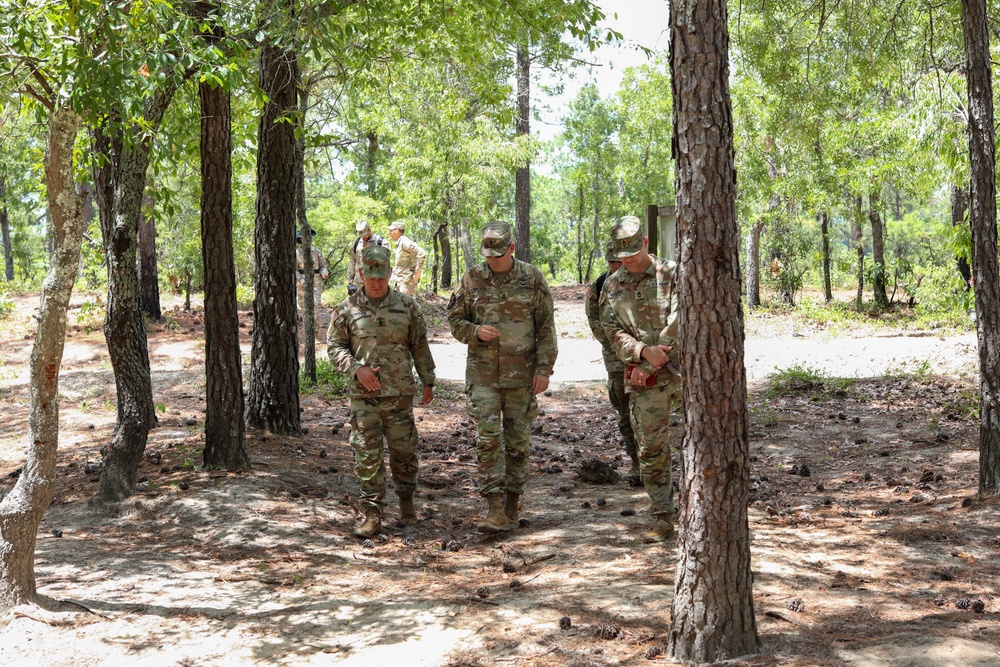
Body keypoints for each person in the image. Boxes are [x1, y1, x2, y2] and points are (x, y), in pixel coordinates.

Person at [447, 221, 557, 533]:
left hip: (521, 377)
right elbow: (455, 320)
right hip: (483, 375)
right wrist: (475, 331)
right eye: (488, 255)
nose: (492, 260)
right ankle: (493, 507)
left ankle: (511, 504)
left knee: (518, 442)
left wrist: (544, 369)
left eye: (498, 254)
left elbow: (546, 328)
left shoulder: (531, 278)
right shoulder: (472, 278)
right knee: (487, 440)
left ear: (511, 248)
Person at [327, 244, 436, 538]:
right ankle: (372, 514)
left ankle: (406, 503)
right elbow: (334, 347)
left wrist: (428, 379)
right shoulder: (346, 309)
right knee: (367, 454)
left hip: (399, 394)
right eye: (370, 275)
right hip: (364, 397)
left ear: (389, 273)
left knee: (404, 451)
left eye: (382, 275)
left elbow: (419, 345)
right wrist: (355, 368)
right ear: (362, 273)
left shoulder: (407, 306)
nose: (376, 281)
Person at [600, 215, 680, 544]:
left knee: (706, 440)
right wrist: (642, 352)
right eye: (624, 257)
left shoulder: (672, 273)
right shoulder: (612, 284)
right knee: (651, 448)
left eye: (635, 253)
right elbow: (611, 330)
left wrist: (658, 356)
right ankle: (662, 515)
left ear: (646, 243)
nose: (630, 261)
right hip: (643, 376)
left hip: (683, 370)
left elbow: (682, 316)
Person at [586, 239, 639, 482]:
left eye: (619, 260)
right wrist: (616, 344)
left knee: (646, 409)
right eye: (612, 261)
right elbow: (594, 320)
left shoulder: (639, 279)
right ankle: (635, 462)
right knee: (623, 410)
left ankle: (651, 461)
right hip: (616, 357)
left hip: (643, 354)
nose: (616, 265)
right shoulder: (599, 285)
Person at [347, 220, 388, 295]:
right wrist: (350, 278)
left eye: (365, 235)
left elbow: (385, 261)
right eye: (361, 235)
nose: (363, 237)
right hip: (359, 282)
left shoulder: (380, 242)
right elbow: (352, 261)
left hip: (375, 282)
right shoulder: (357, 242)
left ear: (369, 230)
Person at [387, 220, 427, 297]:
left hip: (407, 282)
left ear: (397, 231)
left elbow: (422, 253)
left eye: (391, 230)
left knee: (407, 306)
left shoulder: (404, 242)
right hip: (400, 281)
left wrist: (417, 273)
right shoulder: (400, 242)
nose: (390, 232)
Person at [296, 229, 329, 307]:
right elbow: (294, 270)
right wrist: (302, 280)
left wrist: (324, 272)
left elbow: (323, 265)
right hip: (302, 283)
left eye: (310, 238)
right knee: (303, 305)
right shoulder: (296, 253)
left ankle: (315, 320)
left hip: (316, 282)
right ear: (301, 239)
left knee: (315, 305)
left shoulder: (316, 251)